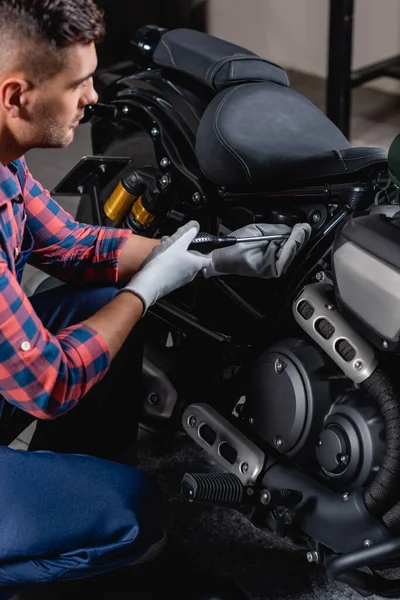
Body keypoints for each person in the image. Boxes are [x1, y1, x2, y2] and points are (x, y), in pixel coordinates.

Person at [0, 1, 311, 598]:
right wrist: (147, 291)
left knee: (94, 300)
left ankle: (68, 489)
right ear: (17, 96)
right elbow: (48, 383)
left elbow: (71, 245)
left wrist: (207, 251)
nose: (93, 96)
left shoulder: (5, 163)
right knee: (135, 515)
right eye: (78, 83)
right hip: (33, 380)